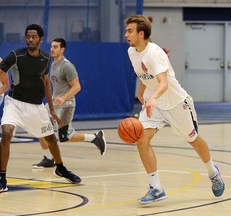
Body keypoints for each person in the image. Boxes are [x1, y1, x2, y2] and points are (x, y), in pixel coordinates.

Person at [0, 24, 81, 193]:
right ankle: (2, 179)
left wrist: (50, 109)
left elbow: (46, 82)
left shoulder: (45, 58)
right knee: (6, 132)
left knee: (50, 139)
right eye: (28, 36)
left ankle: (61, 168)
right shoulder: (16, 55)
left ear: (41, 39)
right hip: (15, 103)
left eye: (34, 37)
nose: (30, 40)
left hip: (36, 106)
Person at [124, 15, 225, 204]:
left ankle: (213, 171)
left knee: (193, 140)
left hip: (176, 103)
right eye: (126, 30)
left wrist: (153, 97)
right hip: (153, 105)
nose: (126, 34)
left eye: (130, 31)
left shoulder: (155, 53)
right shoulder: (132, 52)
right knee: (141, 140)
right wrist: (142, 93)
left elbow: (163, 83)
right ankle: (156, 188)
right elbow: (144, 74)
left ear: (141, 33)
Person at [32, 38, 106, 169]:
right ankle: (49, 158)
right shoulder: (53, 64)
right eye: (51, 46)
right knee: (40, 127)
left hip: (66, 105)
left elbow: (77, 87)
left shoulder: (67, 66)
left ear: (62, 49)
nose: (52, 49)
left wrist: (63, 98)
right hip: (53, 105)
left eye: (55, 47)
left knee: (65, 137)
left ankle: (95, 137)